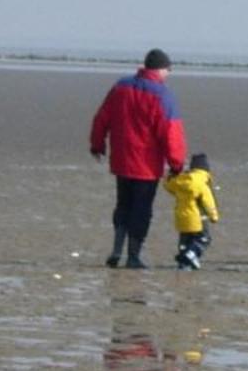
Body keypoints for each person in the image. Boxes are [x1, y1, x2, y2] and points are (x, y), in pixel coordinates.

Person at [89, 48, 188, 269]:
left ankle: (116, 250)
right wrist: (177, 163)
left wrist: (97, 144)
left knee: (123, 205)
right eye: (168, 69)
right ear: (161, 69)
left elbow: (102, 116)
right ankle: (133, 255)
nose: (169, 73)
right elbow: (171, 132)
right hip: (146, 164)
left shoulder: (121, 86)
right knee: (141, 210)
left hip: (122, 160)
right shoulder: (163, 95)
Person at [163, 153, 220, 270]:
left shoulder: (181, 180)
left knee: (185, 241)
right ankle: (190, 255)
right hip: (197, 219)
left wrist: (170, 176)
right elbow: (208, 202)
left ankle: (184, 263)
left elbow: (168, 186)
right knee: (203, 239)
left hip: (181, 218)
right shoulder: (202, 184)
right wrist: (214, 216)